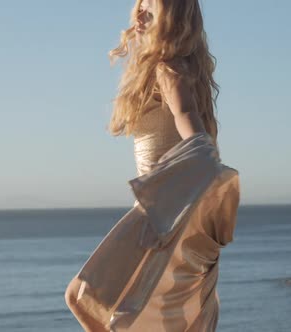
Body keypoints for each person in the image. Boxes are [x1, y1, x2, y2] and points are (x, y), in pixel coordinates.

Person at [65, 0, 240, 330]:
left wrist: (204, 162)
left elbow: (187, 119)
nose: (140, 16)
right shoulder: (175, 68)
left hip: (161, 210)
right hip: (168, 208)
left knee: (81, 296)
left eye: (151, 10)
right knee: (150, 311)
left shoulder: (168, 68)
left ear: (172, 18)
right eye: (139, 8)